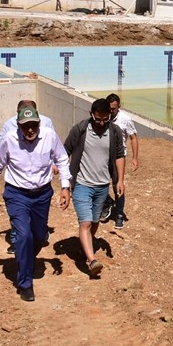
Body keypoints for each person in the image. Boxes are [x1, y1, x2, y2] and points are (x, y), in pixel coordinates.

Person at [0, 105, 71, 302]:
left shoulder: (49, 136)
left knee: (39, 236)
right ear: (19, 126)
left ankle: (25, 260)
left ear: (39, 123)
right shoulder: (10, 140)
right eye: (25, 126)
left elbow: (62, 159)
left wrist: (65, 187)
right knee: (23, 235)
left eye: (33, 125)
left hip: (42, 194)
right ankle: (25, 283)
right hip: (17, 194)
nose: (30, 130)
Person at [64, 98, 126, 276]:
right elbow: (65, 150)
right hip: (82, 184)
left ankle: (86, 248)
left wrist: (120, 180)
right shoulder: (80, 129)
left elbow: (119, 156)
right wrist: (63, 179)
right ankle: (92, 260)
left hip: (102, 186)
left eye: (104, 119)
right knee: (85, 222)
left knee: (95, 221)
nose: (100, 123)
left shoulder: (114, 132)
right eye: (97, 119)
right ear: (91, 114)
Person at [0, 99, 56, 254]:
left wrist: (54, 163)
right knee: (18, 214)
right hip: (17, 179)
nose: (29, 128)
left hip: (40, 179)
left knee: (37, 218)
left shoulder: (47, 123)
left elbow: (53, 145)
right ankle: (18, 242)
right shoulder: (9, 125)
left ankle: (38, 235)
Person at [106, 93, 139, 229]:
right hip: (104, 156)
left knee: (118, 185)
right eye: (109, 108)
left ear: (119, 106)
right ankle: (106, 203)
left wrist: (135, 158)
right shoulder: (104, 117)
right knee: (99, 182)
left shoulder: (125, 119)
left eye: (113, 109)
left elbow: (134, 138)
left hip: (118, 158)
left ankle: (119, 214)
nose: (111, 111)